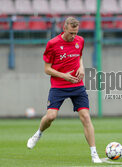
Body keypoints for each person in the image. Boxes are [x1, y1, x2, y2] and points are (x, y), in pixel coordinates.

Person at [27, 17, 102, 163]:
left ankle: (94, 154)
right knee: (51, 117)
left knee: (86, 117)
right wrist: (64, 76)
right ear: (64, 29)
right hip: (59, 86)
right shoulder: (52, 44)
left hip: (77, 85)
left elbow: (79, 57)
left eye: (75, 33)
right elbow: (47, 69)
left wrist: (81, 67)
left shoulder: (80, 41)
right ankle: (38, 133)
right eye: (71, 33)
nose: (73, 36)